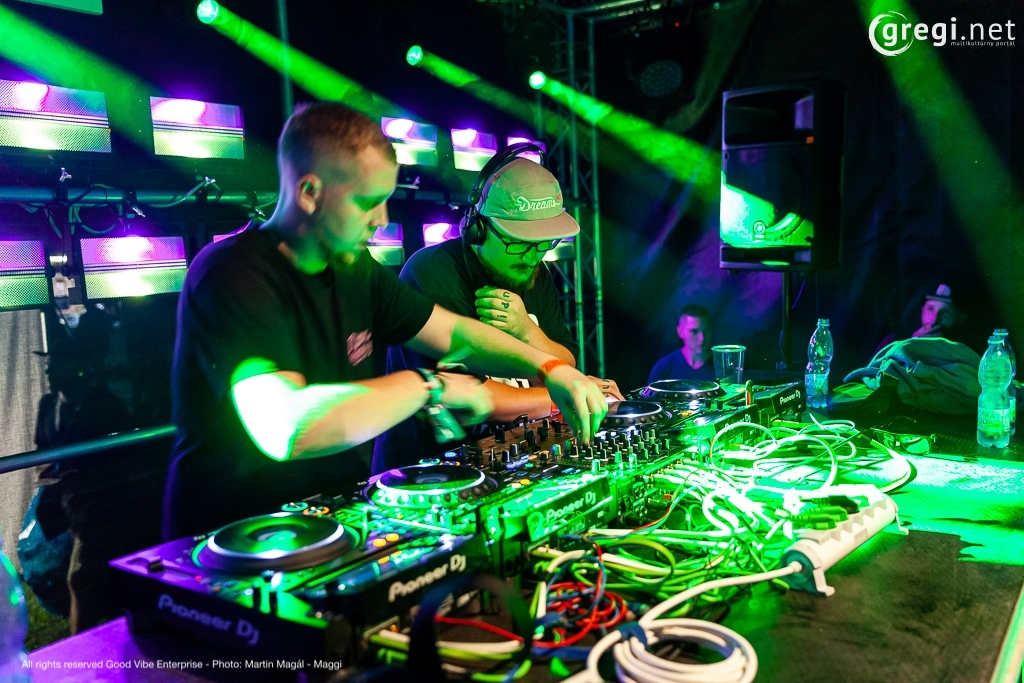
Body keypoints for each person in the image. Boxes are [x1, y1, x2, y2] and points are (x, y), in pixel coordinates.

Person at [164, 103, 607, 540]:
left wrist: (550, 368)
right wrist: (429, 386)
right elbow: (287, 427)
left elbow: (452, 332)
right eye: (368, 203)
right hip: (235, 537)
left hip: (336, 521)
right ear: (309, 193)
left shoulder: (356, 271)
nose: (382, 220)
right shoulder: (232, 275)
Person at [374, 151, 622, 472]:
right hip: (429, 472)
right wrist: (567, 395)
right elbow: (471, 396)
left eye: (543, 244)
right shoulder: (433, 272)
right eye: (519, 243)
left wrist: (527, 331)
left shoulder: (535, 272)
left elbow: (566, 361)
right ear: (478, 228)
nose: (532, 257)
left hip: (513, 460)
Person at [875, 284, 966, 352]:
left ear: (961, 319)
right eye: (930, 309)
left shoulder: (965, 354)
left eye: (946, 313)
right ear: (922, 309)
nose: (934, 319)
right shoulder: (894, 340)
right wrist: (912, 344)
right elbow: (874, 369)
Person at [648, 304, 715, 383]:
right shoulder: (664, 367)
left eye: (706, 330)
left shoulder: (722, 367)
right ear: (680, 332)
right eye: (694, 331)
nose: (702, 337)